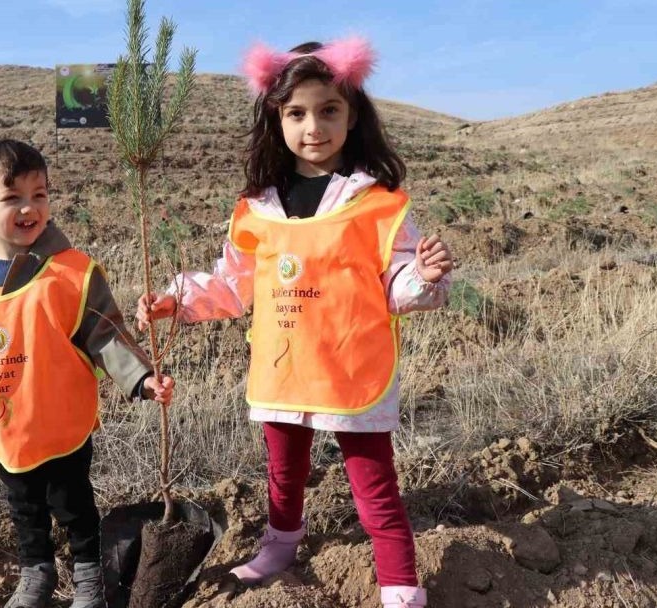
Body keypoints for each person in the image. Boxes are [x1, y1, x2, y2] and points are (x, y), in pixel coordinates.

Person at [136, 38, 452, 608]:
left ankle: (401, 586)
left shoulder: (376, 203)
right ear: (275, 118)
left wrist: (422, 277)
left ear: (353, 115)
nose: (314, 126)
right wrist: (176, 301)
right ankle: (281, 546)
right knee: (284, 474)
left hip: (350, 370)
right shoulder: (257, 207)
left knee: (375, 487)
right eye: (297, 113)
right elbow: (234, 284)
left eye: (328, 109)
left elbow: (395, 285)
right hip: (284, 370)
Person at [0, 139, 174, 608]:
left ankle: (88, 577)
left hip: (60, 423)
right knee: (24, 507)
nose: (30, 207)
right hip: (2, 426)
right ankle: (35, 574)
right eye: (12, 198)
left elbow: (104, 332)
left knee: (73, 505)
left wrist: (142, 377)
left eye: (40, 194)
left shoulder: (69, 274)